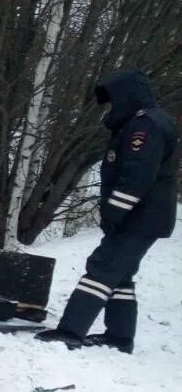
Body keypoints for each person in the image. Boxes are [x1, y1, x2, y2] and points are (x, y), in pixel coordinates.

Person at [36, 69, 178, 353]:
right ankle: (119, 337)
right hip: (143, 217)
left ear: (126, 98)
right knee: (119, 273)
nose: (109, 110)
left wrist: (114, 211)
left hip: (140, 216)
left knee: (101, 267)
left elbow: (137, 177)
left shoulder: (144, 126)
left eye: (112, 103)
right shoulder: (143, 123)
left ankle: (71, 330)